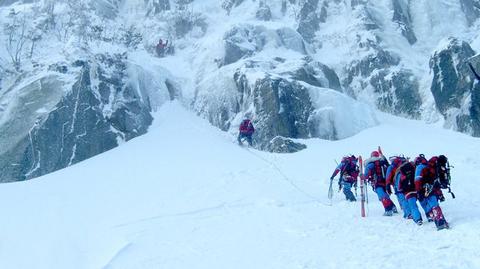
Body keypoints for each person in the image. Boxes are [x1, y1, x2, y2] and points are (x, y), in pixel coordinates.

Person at [415, 155, 450, 230]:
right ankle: (440, 222)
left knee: (433, 205)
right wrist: (440, 194)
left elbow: (417, 180)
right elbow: (436, 182)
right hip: (433, 188)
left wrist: (418, 191)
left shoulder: (421, 167)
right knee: (434, 205)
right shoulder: (434, 167)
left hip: (426, 189)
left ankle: (440, 223)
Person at [364, 151, 397, 216]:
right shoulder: (383, 162)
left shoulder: (370, 164)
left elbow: (366, 176)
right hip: (386, 182)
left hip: (377, 183)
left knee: (382, 196)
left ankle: (388, 210)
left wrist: (362, 176)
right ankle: (393, 207)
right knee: (385, 195)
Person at [396, 161, 423, 225]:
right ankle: (429, 215)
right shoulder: (414, 169)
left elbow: (399, 186)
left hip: (408, 192)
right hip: (416, 189)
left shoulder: (401, 172)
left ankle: (418, 219)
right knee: (423, 202)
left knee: (413, 206)